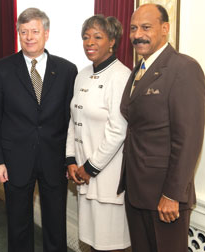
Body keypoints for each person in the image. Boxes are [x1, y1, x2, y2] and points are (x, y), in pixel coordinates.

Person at [0, 7, 78, 252]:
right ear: (18, 33)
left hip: (54, 159)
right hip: (14, 160)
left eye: (35, 31)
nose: (29, 37)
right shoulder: (2, 69)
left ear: (46, 34)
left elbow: (72, 120)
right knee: (18, 225)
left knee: (55, 225)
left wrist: (71, 158)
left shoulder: (68, 71)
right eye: (23, 31)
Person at [118, 4, 205, 252]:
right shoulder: (139, 69)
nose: (137, 35)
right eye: (133, 28)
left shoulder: (183, 68)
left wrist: (172, 194)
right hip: (137, 190)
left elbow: (188, 139)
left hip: (164, 196)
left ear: (165, 29)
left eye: (146, 27)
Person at [66, 15, 131, 252]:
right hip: (83, 176)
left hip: (107, 178)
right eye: (85, 37)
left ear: (112, 41)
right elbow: (73, 120)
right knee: (90, 243)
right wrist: (71, 160)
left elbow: (118, 130)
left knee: (111, 245)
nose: (89, 42)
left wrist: (90, 167)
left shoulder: (121, 76)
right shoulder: (81, 74)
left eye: (97, 37)